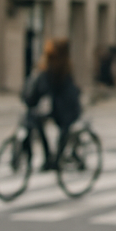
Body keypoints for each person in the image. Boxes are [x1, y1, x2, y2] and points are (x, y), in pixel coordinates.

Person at [21, 38, 82, 170]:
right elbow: (38, 90)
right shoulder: (50, 68)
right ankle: (49, 157)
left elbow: (47, 89)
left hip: (66, 109)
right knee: (36, 121)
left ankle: (56, 159)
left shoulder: (62, 69)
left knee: (64, 130)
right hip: (55, 107)